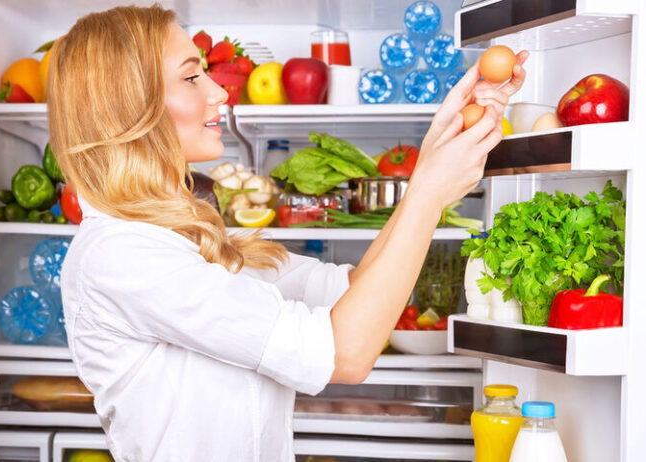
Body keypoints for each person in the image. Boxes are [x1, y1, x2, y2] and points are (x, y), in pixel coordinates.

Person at [48, 4, 528, 461]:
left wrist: (429, 163)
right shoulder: (123, 255)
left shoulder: (178, 237)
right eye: (192, 77)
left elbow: (354, 292)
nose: (220, 93)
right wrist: (426, 194)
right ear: (130, 107)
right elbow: (347, 354)